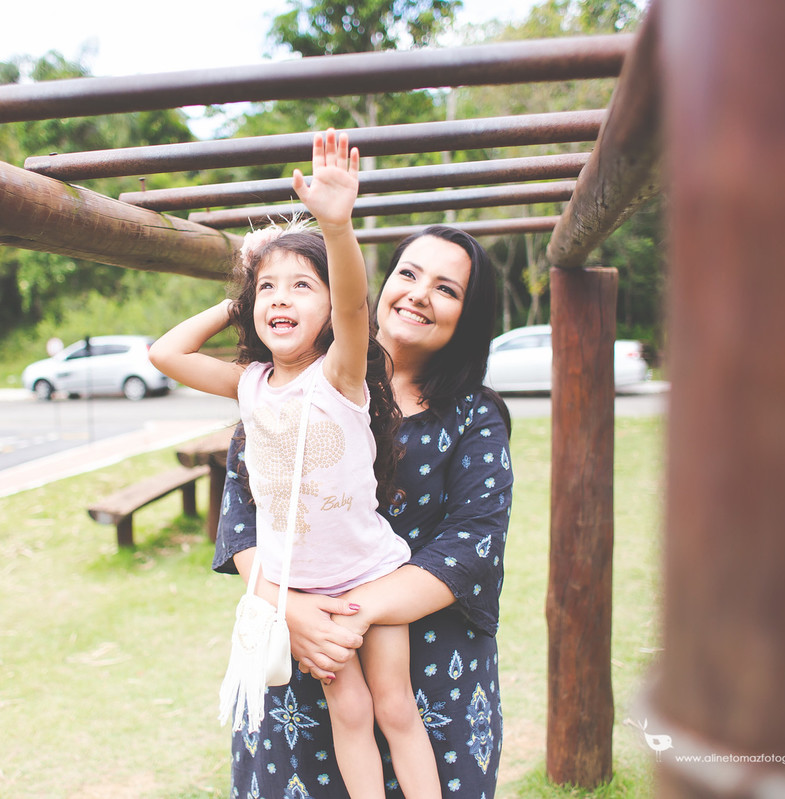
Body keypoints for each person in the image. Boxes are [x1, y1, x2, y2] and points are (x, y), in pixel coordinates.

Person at [149, 129, 442, 799]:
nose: (281, 298)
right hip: (302, 589)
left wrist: (335, 228)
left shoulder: (338, 375)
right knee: (351, 711)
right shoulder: (250, 381)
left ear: (329, 310)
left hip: (370, 570)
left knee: (394, 706)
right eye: (269, 289)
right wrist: (240, 291)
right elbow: (165, 353)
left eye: (300, 287)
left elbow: (354, 303)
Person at [213, 223, 514, 798]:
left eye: (447, 289)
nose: (420, 293)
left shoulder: (474, 418)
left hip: (425, 674)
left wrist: (346, 616)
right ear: (379, 287)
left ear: (467, 318)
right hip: (307, 660)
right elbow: (241, 523)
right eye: (407, 273)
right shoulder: (288, 392)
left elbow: (472, 546)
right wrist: (298, 615)